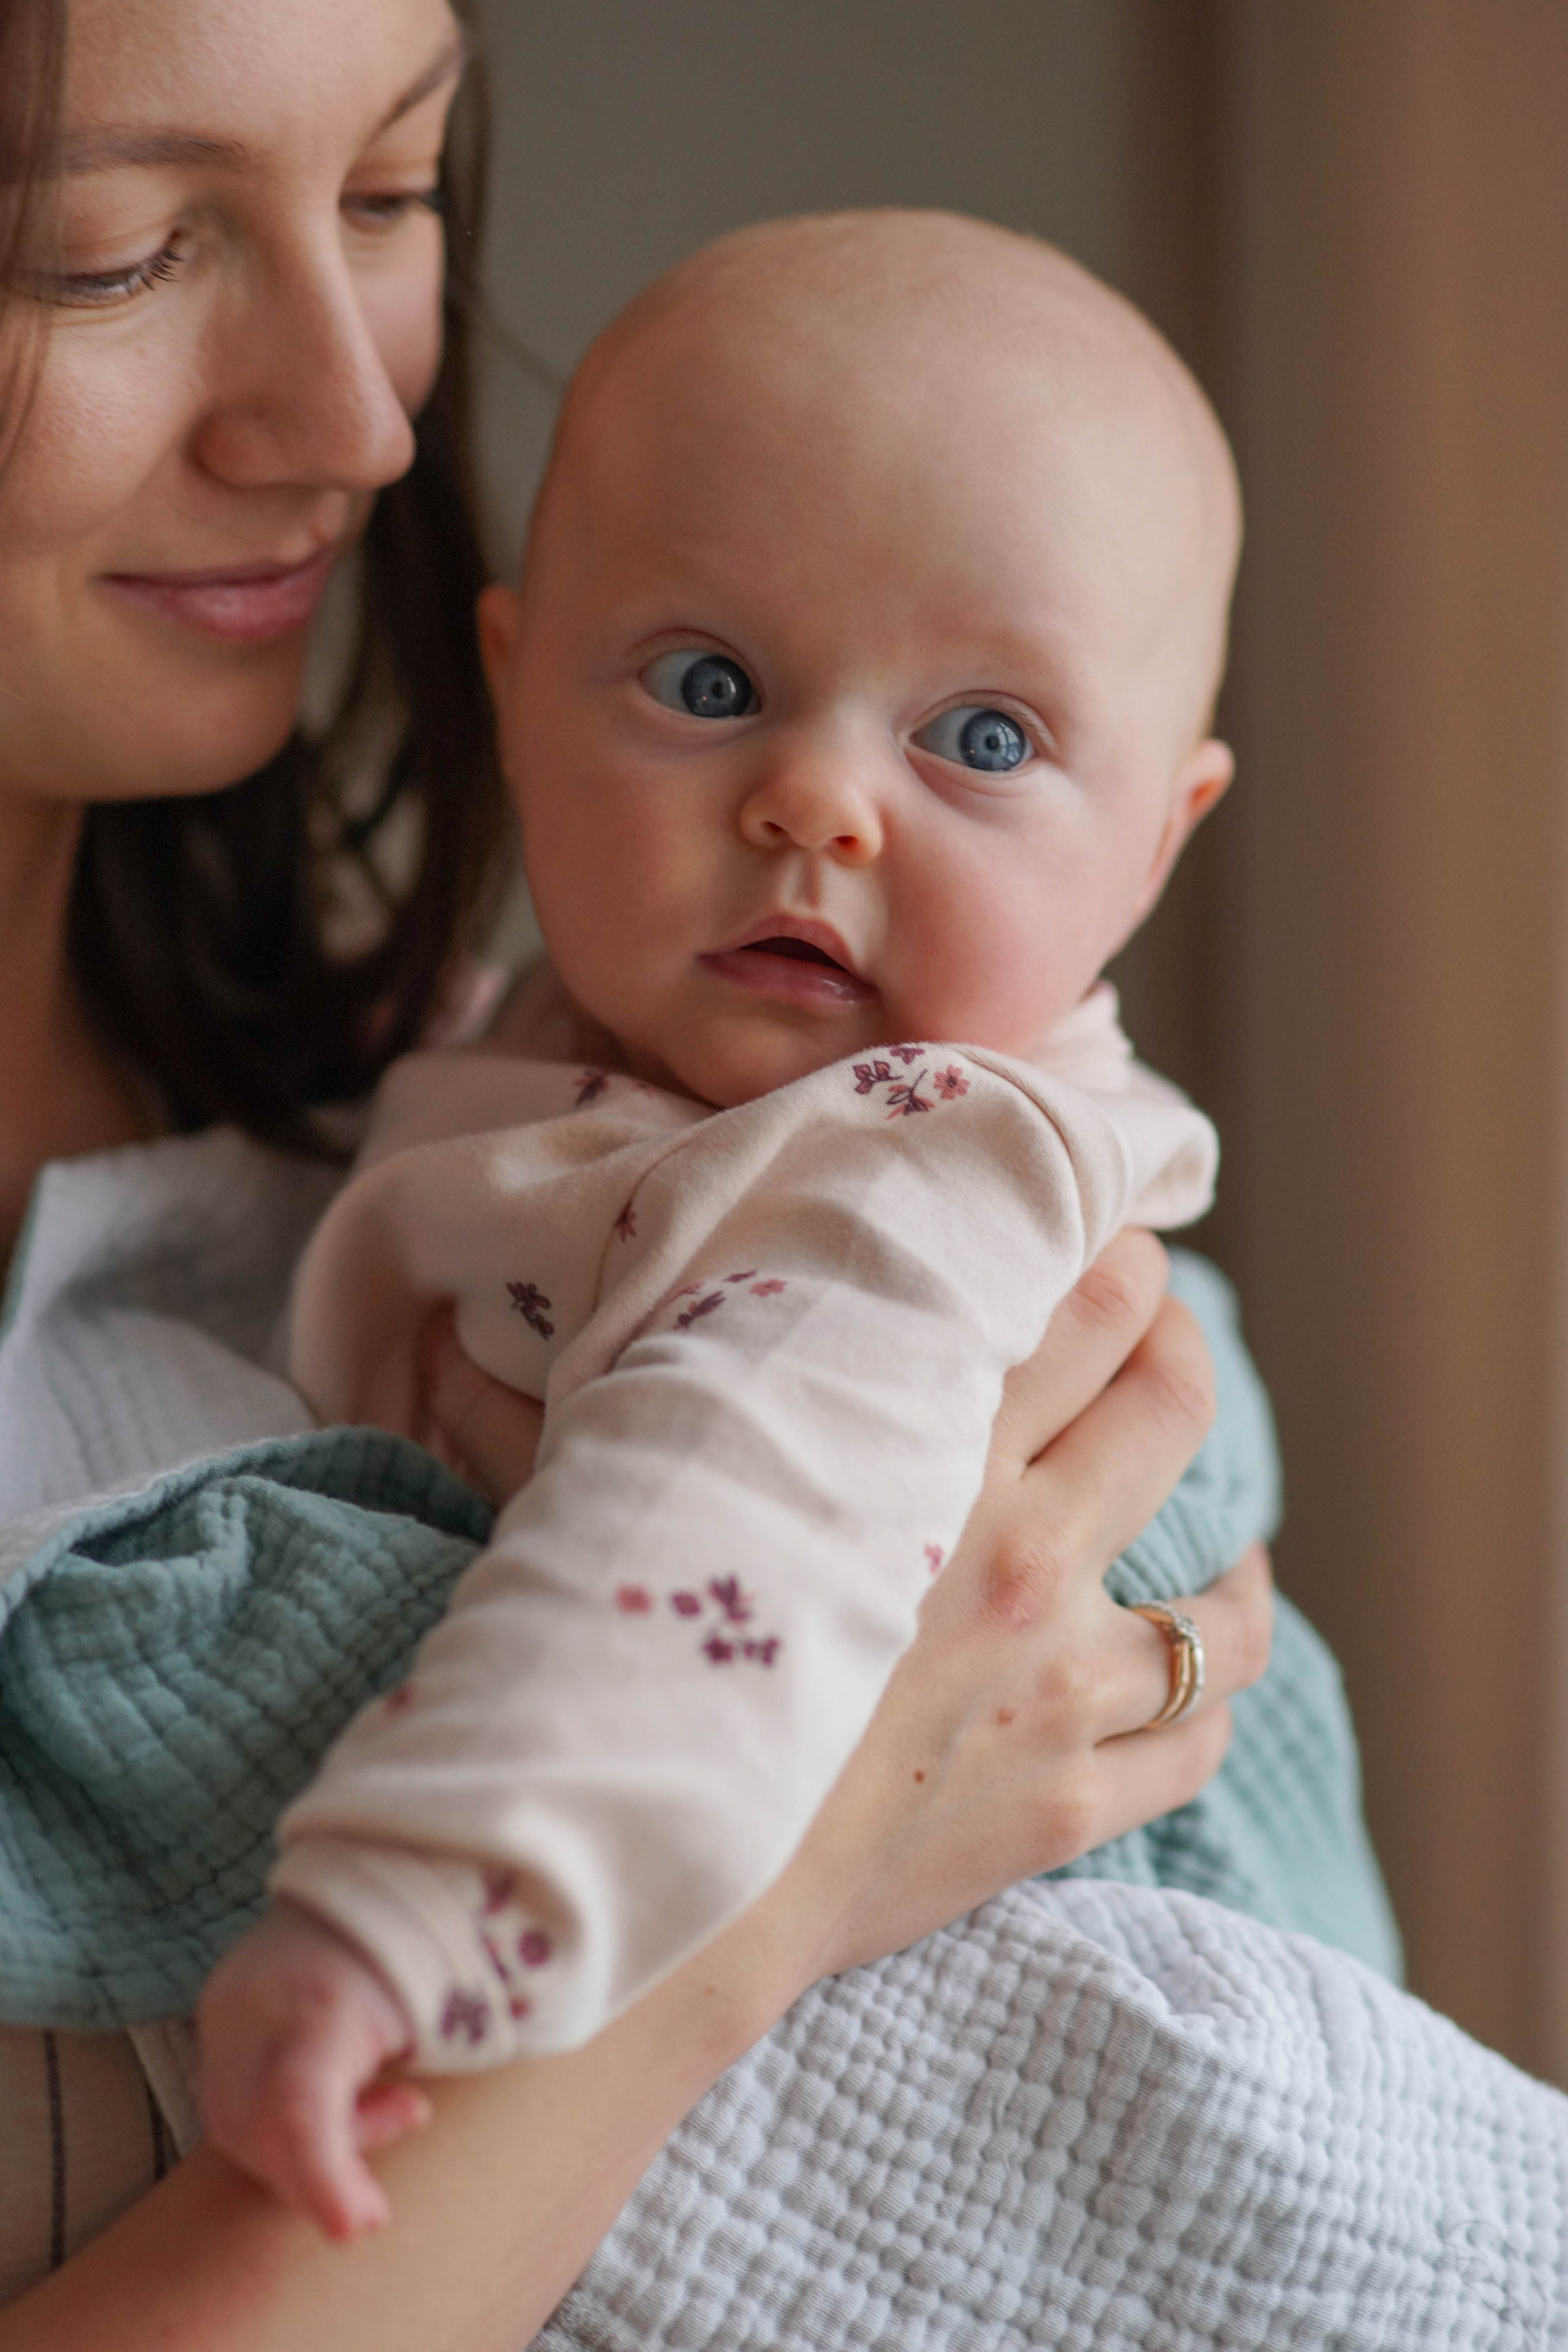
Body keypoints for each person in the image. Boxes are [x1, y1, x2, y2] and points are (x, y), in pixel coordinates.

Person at [0, 0, 1275, 2340]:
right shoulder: (526, 1061)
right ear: (520, 680)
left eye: (390, 192)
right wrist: (791, 1883)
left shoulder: (903, 1160)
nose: (367, 422)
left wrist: (412, 1916)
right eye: (108, 251)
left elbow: (724, 1517)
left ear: (1164, 833)